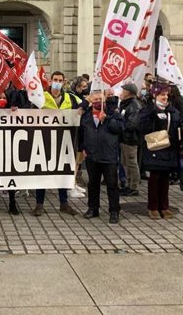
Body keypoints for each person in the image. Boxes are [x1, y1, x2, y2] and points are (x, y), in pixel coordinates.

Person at [33, 71, 80, 217]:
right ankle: (39, 204)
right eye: (55, 79)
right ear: (50, 80)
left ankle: (63, 203)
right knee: (42, 172)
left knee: (62, 172)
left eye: (60, 80)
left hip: (64, 141)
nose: (57, 82)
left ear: (64, 81)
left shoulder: (71, 98)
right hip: (45, 141)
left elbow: (85, 104)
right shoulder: (42, 97)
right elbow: (28, 112)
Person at [139, 82, 182, 219]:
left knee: (165, 178)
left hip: (169, 148)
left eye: (166, 95)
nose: (165, 97)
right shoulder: (148, 110)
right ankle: (153, 207)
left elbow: (178, 124)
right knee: (155, 178)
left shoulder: (172, 110)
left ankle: (164, 206)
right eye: (162, 94)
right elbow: (142, 126)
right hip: (155, 147)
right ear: (154, 95)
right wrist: (152, 112)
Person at [79, 90, 124, 224]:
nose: (98, 101)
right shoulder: (86, 115)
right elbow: (81, 132)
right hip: (92, 154)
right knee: (93, 183)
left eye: (101, 99)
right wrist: (83, 148)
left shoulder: (113, 113)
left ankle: (114, 210)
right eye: (96, 99)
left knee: (112, 184)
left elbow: (120, 129)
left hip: (108, 154)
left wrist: (107, 119)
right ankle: (93, 208)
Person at [118, 82, 143, 197]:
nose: (121, 92)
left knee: (132, 163)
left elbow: (132, 124)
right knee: (125, 163)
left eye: (123, 90)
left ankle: (134, 187)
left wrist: (120, 124)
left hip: (131, 139)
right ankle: (128, 185)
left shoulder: (134, 105)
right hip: (124, 138)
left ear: (128, 92)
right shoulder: (126, 104)